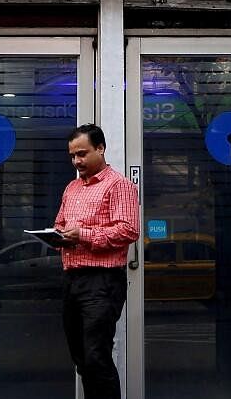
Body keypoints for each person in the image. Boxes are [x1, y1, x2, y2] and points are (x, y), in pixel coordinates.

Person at [55, 124, 140, 399]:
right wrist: (58, 236)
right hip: (73, 279)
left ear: (100, 148)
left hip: (102, 282)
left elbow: (129, 230)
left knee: (96, 357)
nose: (76, 161)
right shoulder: (72, 188)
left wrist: (84, 234)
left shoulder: (119, 185)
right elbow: (60, 224)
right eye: (72, 156)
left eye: (82, 153)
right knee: (81, 357)